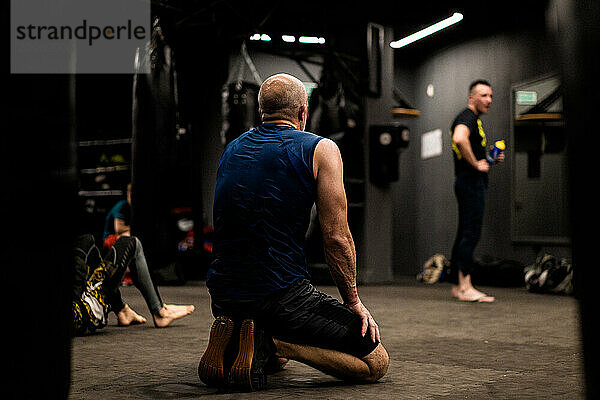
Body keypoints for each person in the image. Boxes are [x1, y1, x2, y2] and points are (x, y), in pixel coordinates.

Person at [198, 73, 389, 391]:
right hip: (282, 298)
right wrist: (353, 302)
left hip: (224, 298)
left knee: (276, 365)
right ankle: (273, 342)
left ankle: (250, 338)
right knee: (375, 363)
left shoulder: (232, 149)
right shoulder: (321, 149)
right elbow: (337, 237)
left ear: (261, 111)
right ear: (304, 111)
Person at [72, 233, 194, 335]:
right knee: (131, 243)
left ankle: (121, 309)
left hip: (80, 310)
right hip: (84, 311)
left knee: (88, 244)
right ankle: (160, 312)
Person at [449, 80, 505, 303]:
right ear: (472, 97)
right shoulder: (467, 117)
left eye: (491, 96)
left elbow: (465, 141)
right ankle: (465, 286)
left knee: (464, 232)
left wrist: (489, 159)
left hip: (468, 181)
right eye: (484, 95)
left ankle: (457, 285)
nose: (489, 100)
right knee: (470, 233)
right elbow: (459, 138)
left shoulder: (472, 119)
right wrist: (476, 164)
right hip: (471, 182)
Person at [103, 183, 132, 249]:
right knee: (131, 235)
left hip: (119, 237)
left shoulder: (132, 208)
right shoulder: (122, 206)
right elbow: (119, 229)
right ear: (128, 194)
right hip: (109, 239)